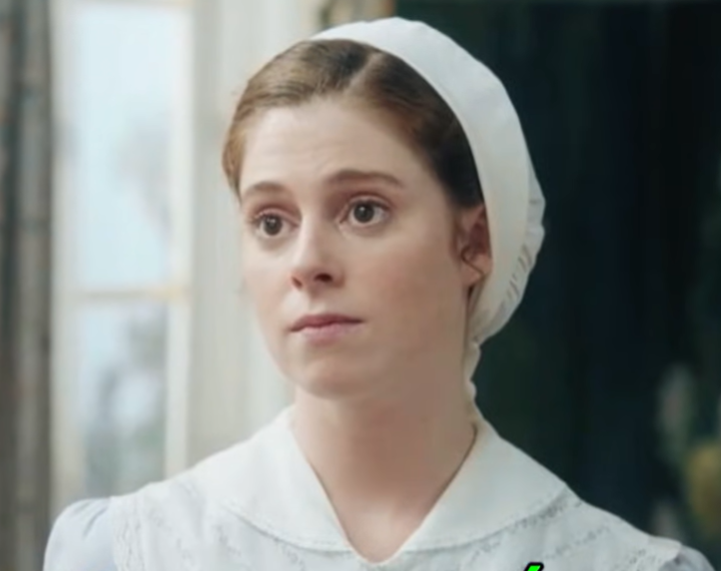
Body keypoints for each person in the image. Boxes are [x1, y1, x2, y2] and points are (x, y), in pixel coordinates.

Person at [44, 17, 715, 571]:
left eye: (363, 210)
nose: (307, 263)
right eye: (271, 222)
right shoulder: (130, 553)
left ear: (474, 241)